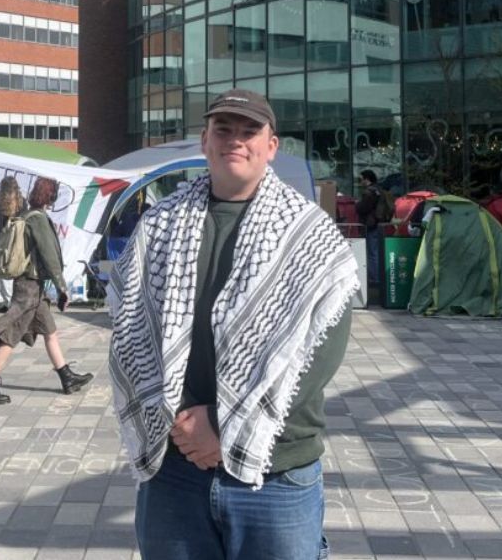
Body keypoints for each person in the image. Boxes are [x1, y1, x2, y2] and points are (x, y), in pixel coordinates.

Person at [108, 89, 358, 560]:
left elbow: (319, 352)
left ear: (272, 146)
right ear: (205, 141)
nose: (235, 140)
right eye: (223, 129)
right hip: (176, 465)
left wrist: (224, 427)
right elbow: (131, 331)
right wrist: (187, 422)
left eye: (249, 131)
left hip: (276, 470)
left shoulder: (308, 233)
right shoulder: (159, 226)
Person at [0, 177, 92, 404]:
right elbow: (50, 255)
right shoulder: (37, 219)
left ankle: (66, 377)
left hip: (33, 287)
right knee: (11, 335)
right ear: (51, 197)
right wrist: (62, 288)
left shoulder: (28, 215)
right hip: (28, 288)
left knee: (50, 331)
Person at [0, 175, 26, 311]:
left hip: (3, 239)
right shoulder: (21, 200)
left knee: (3, 269)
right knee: (17, 268)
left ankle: (6, 301)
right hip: (18, 239)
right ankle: (15, 300)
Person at [355, 169, 384, 286]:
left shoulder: (368, 192)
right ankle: (377, 277)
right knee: (375, 251)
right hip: (378, 223)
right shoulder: (379, 190)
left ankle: (374, 279)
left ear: (366, 179)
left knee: (372, 253)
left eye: (361, 179)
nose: (360, 182)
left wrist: (357, 204)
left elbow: (363, 208)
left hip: (370, 224)